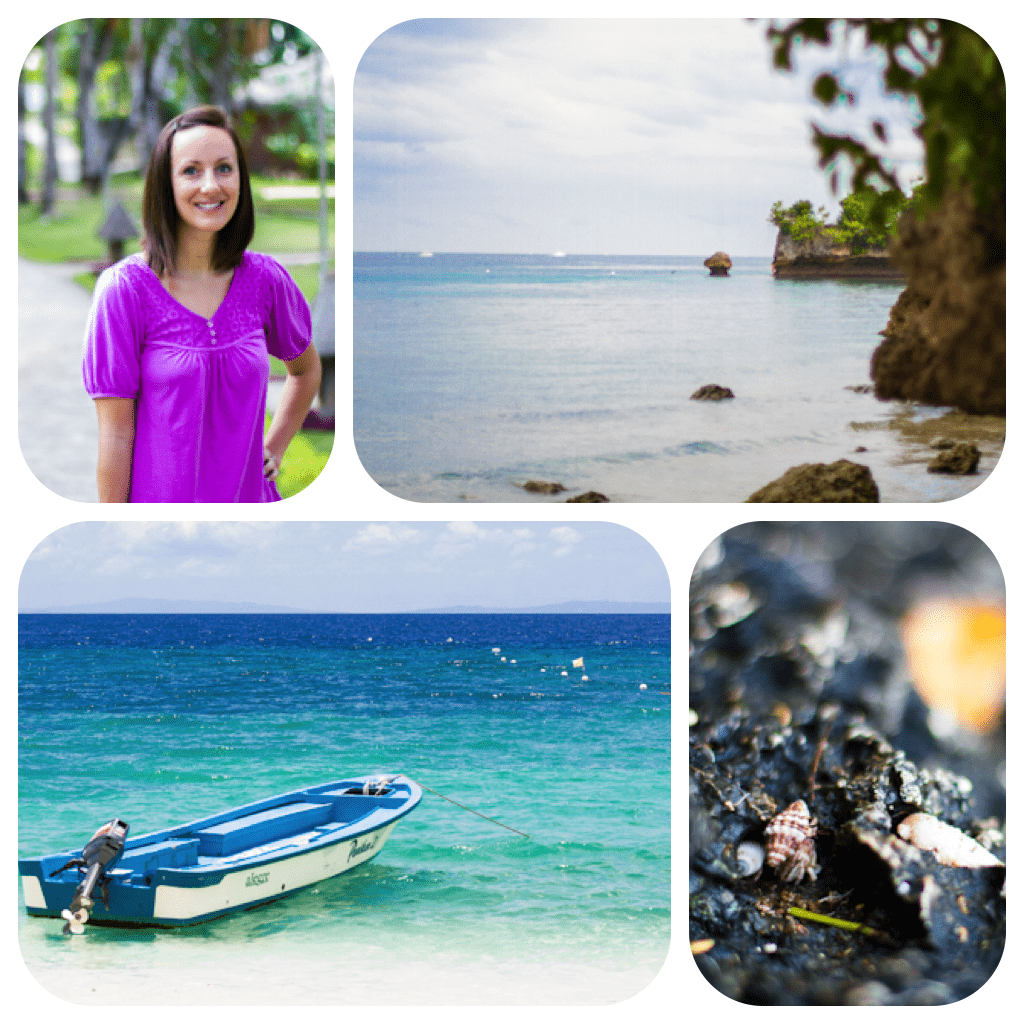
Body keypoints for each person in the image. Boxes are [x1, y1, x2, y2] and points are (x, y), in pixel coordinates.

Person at [82, 105, 321, 502]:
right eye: (191, 170)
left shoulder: (266, 280)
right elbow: (116, 437)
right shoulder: (124, 291)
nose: (211, 185)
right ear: (166, 184)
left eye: (224, 168)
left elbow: (306, 370)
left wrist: (273, 449)